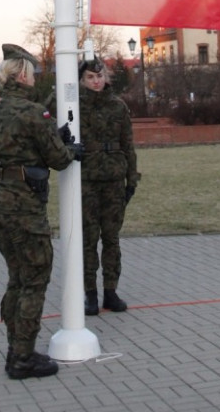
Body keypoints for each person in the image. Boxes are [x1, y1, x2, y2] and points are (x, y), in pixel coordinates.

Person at [0, 43, 83, 380]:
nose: (34, 76)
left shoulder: (0, 109)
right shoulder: (33, 112)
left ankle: (15, 348)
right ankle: (23, 358)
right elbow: (57, 159)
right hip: (24, 205)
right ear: (23, 74)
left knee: (17, 277)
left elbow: (18, 147)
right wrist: (70, 149)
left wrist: (53, 141)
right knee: (34, 279)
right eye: (32, 71)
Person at [78, 56, 139, 316]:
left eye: (99, 76)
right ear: (82, 80)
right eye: (90, 77)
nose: (96, 81)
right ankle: (90, 294)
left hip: (114, 179)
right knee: (88, 241)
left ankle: (110, 291)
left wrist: (131, 178)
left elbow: (128, 144)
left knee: (111, 239)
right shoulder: (74, 106)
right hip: (87, 181)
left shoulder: (118, 107)